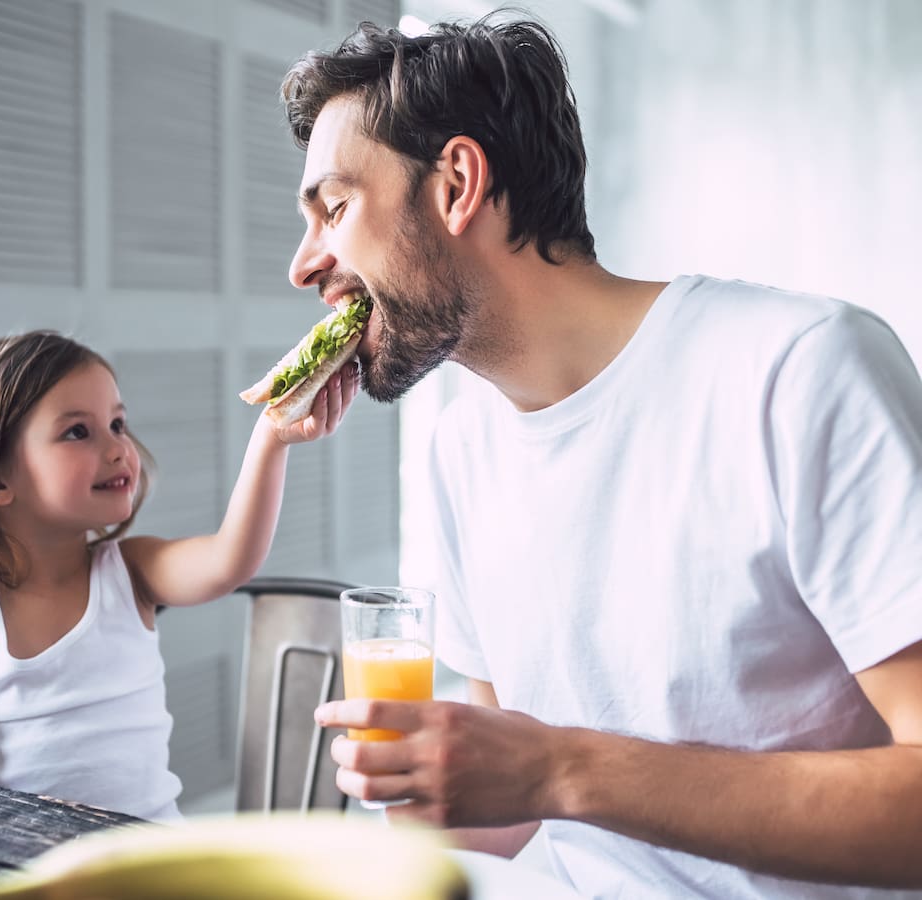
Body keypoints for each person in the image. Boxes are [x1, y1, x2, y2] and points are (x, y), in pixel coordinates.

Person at [283, 15, 922, 898]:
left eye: (334, 209)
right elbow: (506, 814)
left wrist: (561, 768)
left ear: (458, 183)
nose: (303, 264)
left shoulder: (800, 369)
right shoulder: (460, 450)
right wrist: (425, 780)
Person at [0, 330, 356, 821]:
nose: (119, 449)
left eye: (118, 423)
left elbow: (231, 559)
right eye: (78, 431)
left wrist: (272, 437)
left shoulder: (131, 570)